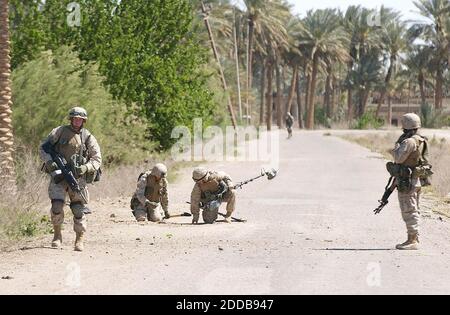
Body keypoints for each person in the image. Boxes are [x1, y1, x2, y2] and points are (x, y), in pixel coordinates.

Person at [40, 107, 102, 252]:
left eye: (80, 119)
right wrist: (50, 162)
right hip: (59, 176)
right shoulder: (59, 131)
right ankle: (57, 235)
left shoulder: (87, 137)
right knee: (56, 206)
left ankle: (79, 239)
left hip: (78, 179)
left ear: (84, 121)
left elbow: (97, 159)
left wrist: (86, 167)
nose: (77, 121)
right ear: (70, 119)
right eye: (75, 118)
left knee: (78, 209)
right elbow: (43, 148)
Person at [391, 113, 430, 250]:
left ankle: (412, 240)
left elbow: (398, 159)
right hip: (416, 180)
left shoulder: (409, 142)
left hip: (408, 182)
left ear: (405, 127)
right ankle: (414, 237)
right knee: (414, 209)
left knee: (409, 210)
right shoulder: (421, 140)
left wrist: (396, 146)